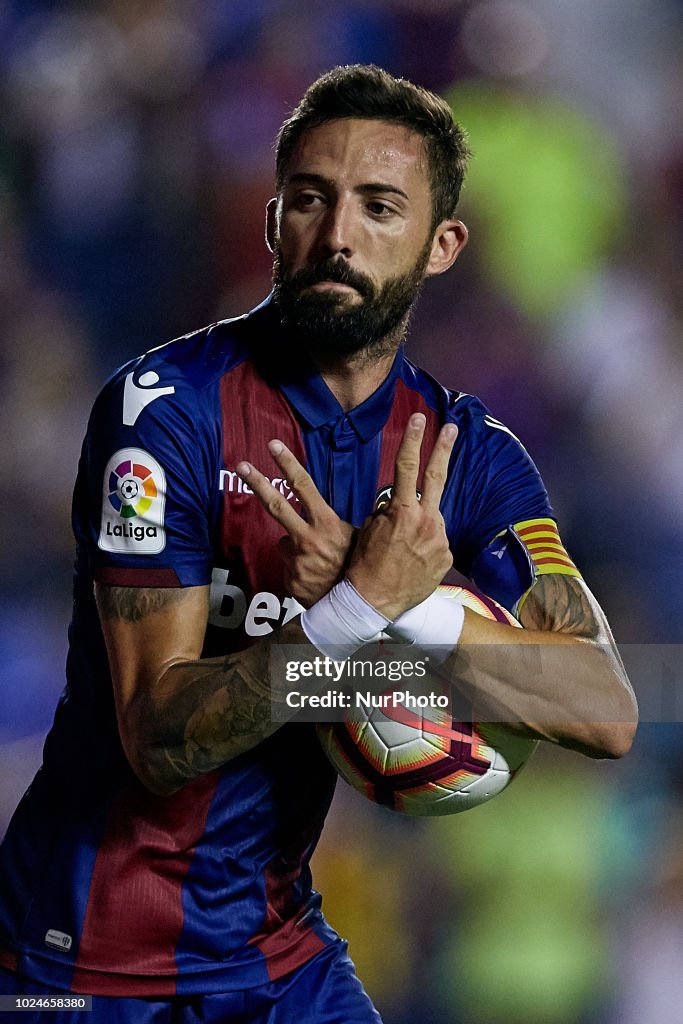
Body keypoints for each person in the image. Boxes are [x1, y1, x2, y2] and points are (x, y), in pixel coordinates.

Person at [0, 64, 637, 1023]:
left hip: (275, 959)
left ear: (441, 244)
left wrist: (408, 606)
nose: (337, 236)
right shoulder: (164, 415)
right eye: (310, 200)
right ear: (272, 224)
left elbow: (603, 709)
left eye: (380, 208)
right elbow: (158, 740)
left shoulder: (468, 457)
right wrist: (349, 615)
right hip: (84, 965)